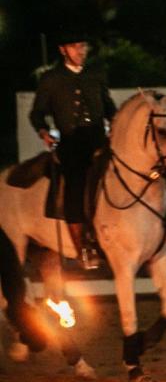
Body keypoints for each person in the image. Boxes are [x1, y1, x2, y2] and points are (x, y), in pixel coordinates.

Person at [29, 28, 117, 270]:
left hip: (99, 139)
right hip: (71, 142)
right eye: (76, 46)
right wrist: (44, 132)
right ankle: (82, 249)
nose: (82, 51)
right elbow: (36, 113)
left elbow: (108, 106)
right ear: (63, 50)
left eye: (84, 46)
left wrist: (117, 122)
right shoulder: (51, 79)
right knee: (75, 187)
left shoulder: (95, 74)